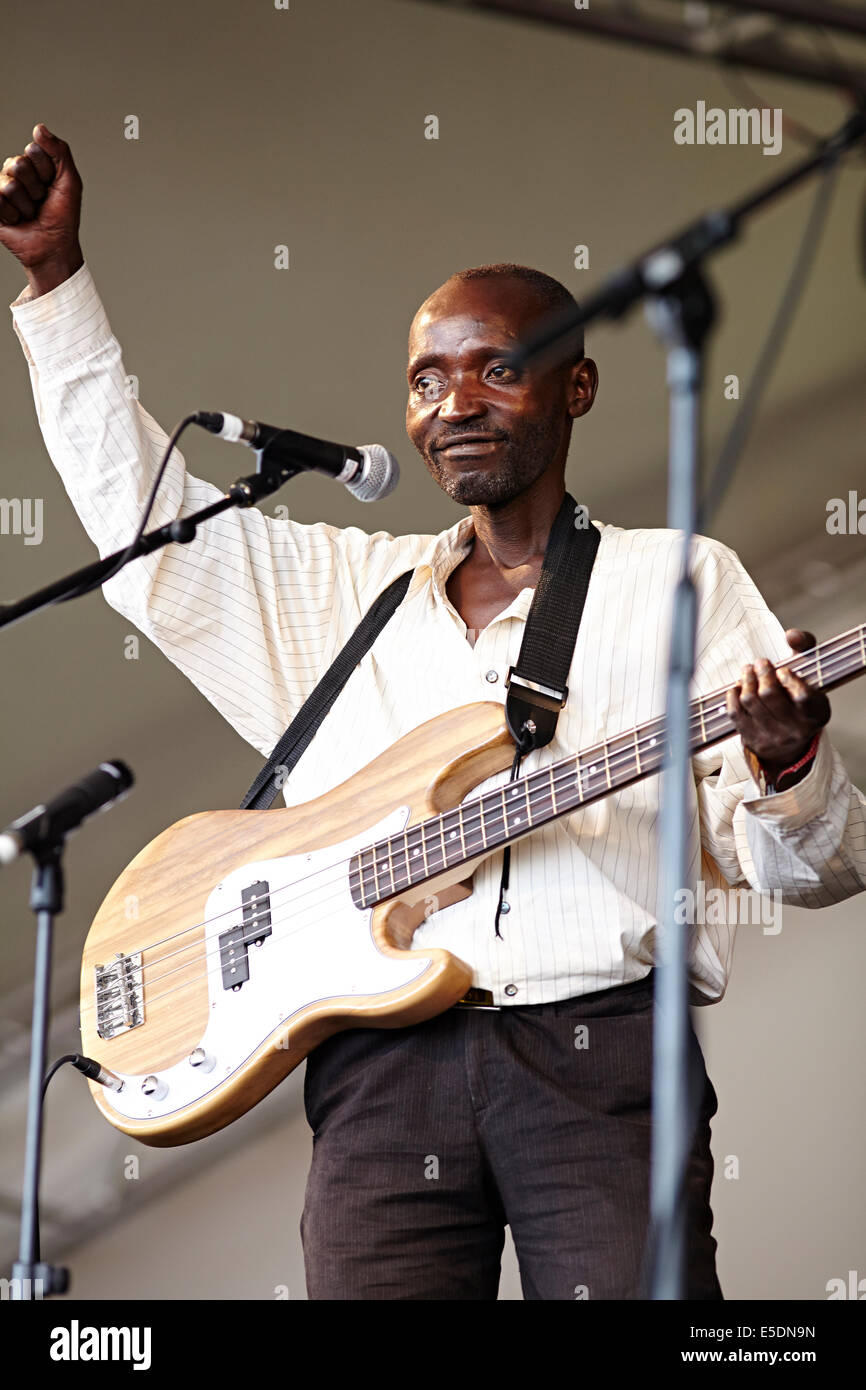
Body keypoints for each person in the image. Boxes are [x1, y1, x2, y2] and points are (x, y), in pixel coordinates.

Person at [3, 125, 865, 1301]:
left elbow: (812, 868)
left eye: (493, 368)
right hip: (377, 1079)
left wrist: (789, 758)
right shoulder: (342, 596)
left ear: (576, 384)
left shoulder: (683, 582)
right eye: (424, 378)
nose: (452, 400)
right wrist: (56, 287)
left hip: (597, 1060)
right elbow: (134, 524)